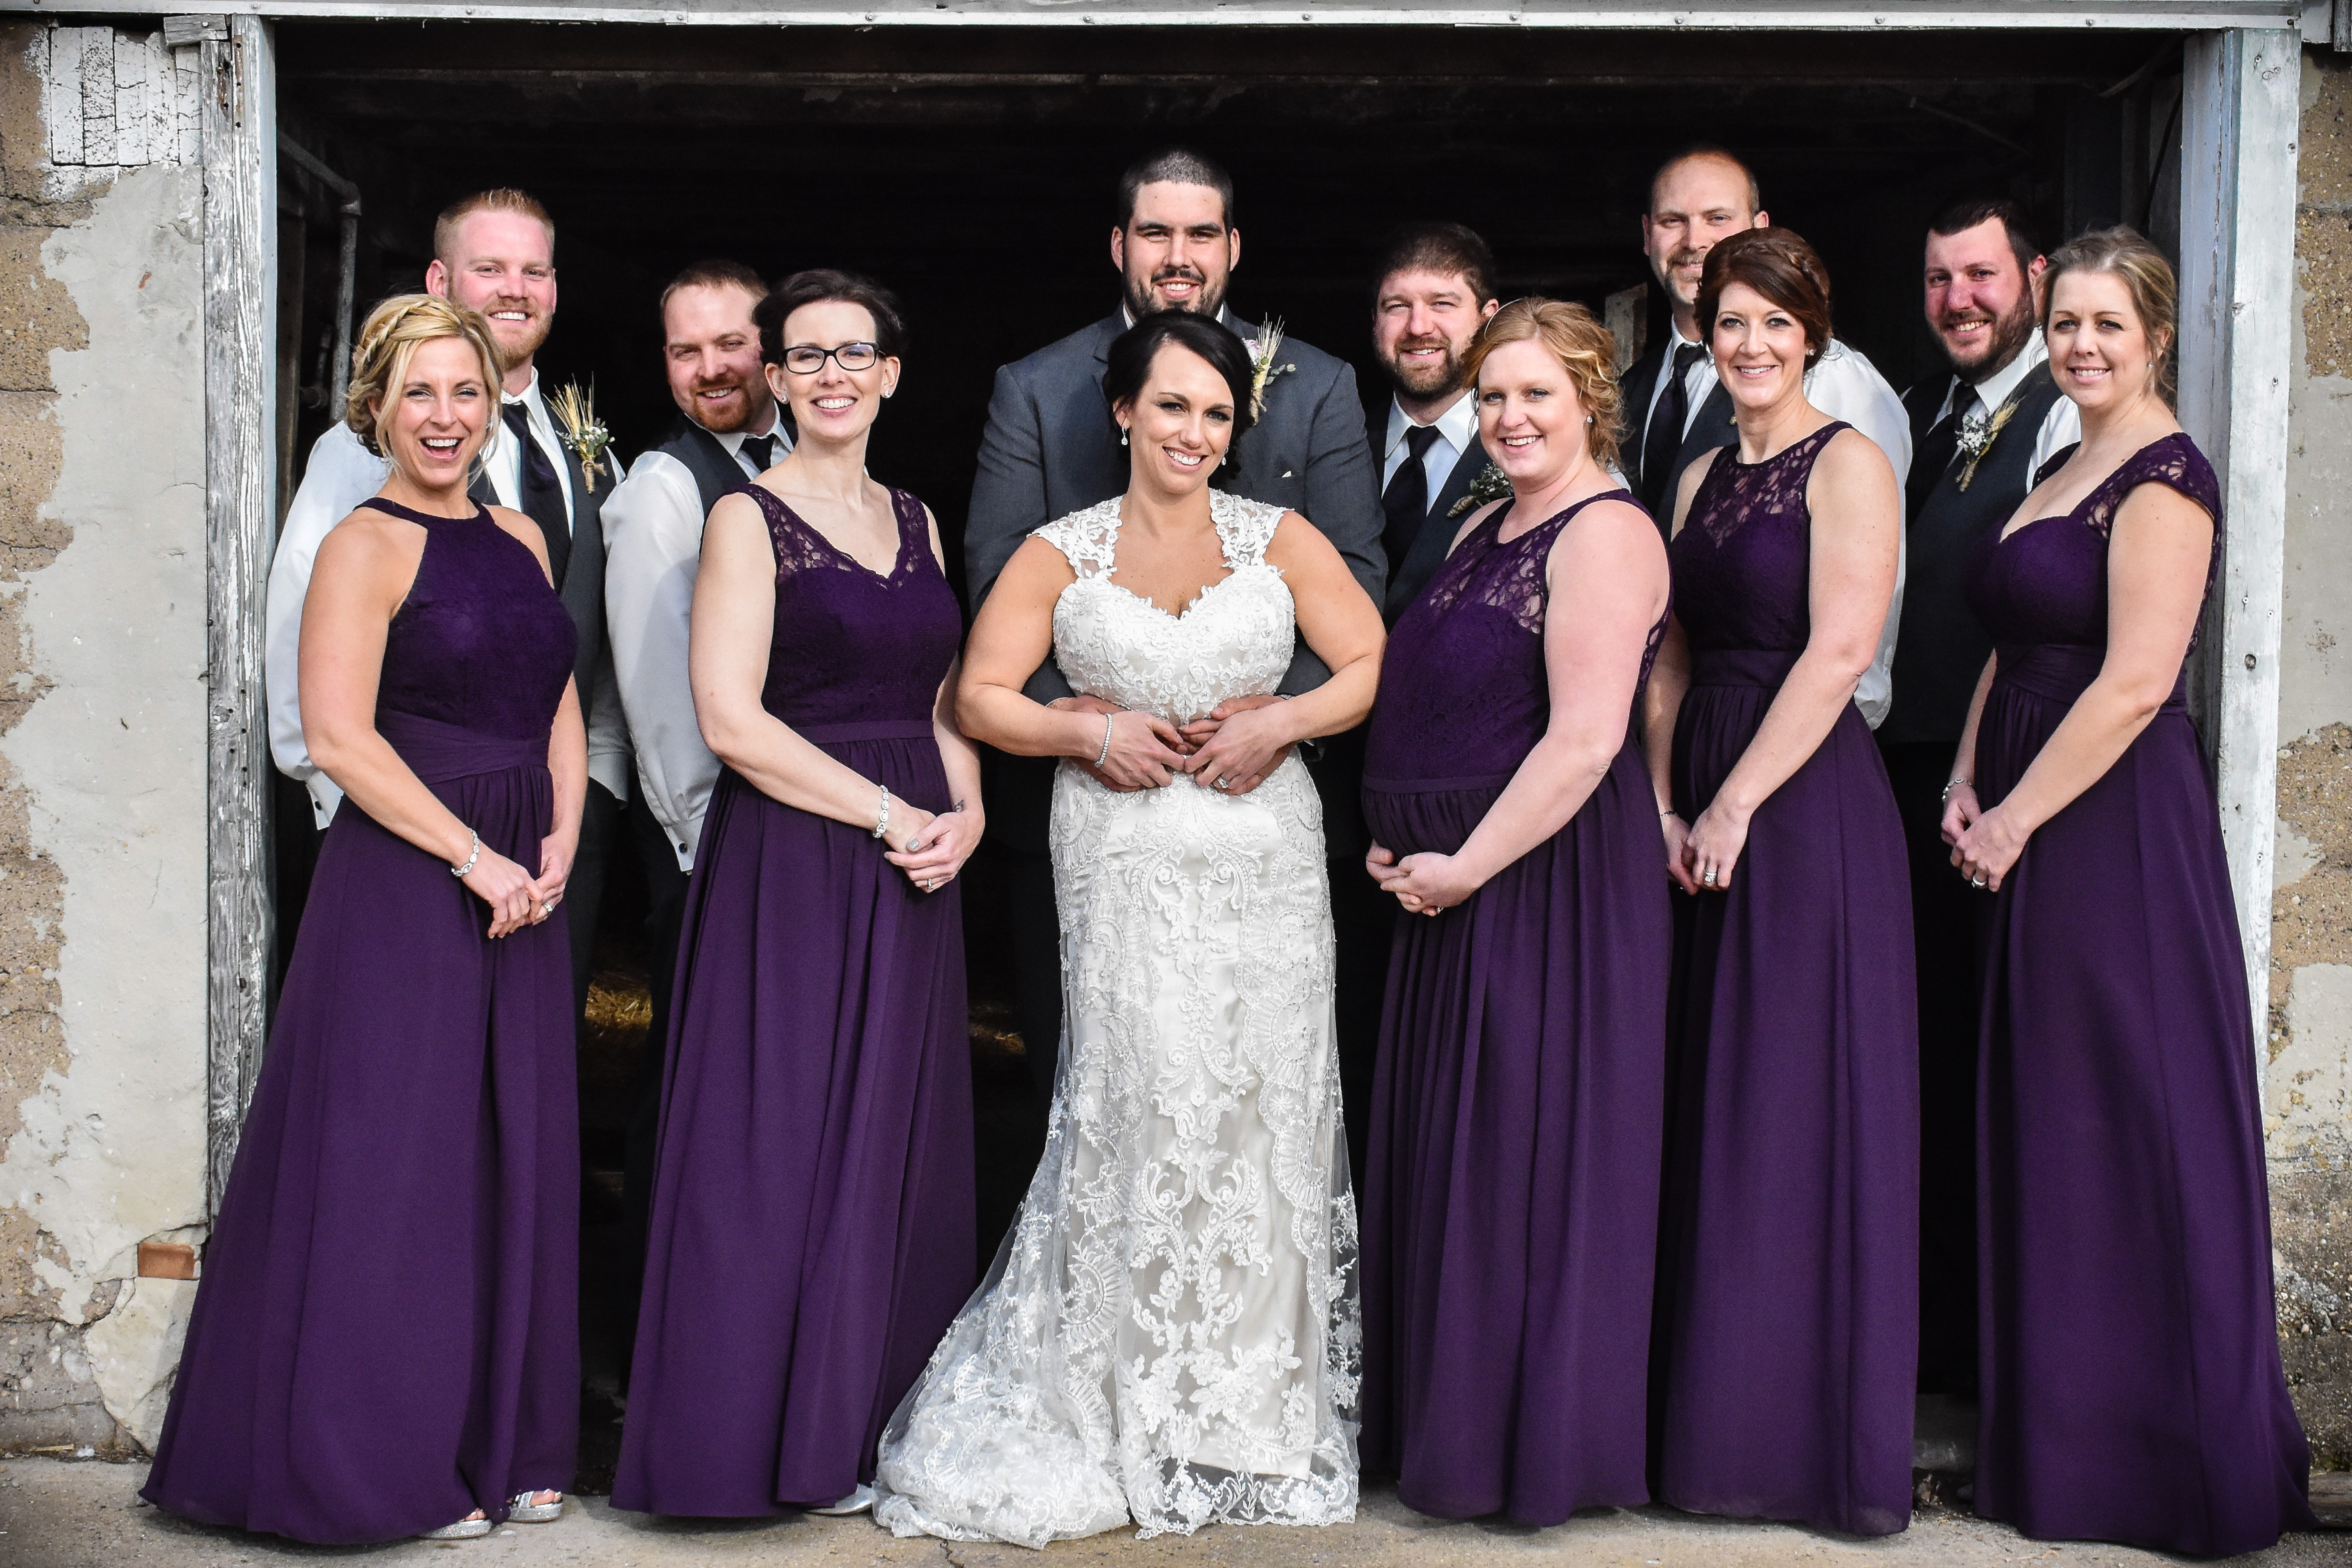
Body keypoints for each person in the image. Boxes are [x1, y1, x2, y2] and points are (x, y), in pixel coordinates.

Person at [875, 310, 1384, 1546]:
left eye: (1215, 414)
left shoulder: (1279, 537)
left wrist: (1283, 721)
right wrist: (1086, 730)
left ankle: (1254, 1415)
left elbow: (1370, 658)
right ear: (1123, 412)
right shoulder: (1060, 551)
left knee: (1264, 1107)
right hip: (1124, 856)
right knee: (1142, 1099)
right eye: (1171, 407)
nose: (1193, 433)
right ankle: (1131, 1394)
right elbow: (979, 695)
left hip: (1266, 864)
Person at [144, 295, 584, 1542]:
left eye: (465, 391)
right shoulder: (362, 544)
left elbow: (555, 692)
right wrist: (476, 859)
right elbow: (338, 738)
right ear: (376, 410)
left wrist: (560, 832)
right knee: (400, 1164)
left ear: (492, 404)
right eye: (418, 394)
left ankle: (505, 1441)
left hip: (526, 875)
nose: (444, 417)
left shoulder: (522, 536)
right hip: (410, 877)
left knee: (510, 1149)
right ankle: (378, 1462)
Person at [1944, 226, 2318, 1556]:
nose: (2083, 345)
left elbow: (2138, 679)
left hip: (2107, 822)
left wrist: (2016, 814)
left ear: (2157, 336)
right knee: (2056, 1120)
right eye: (2067, 324)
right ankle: (2068, 1444)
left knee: (2128, 1110)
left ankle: (2168, 1456)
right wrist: (1965, 777)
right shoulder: (2061, 463)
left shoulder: (2167, 478)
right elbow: (2015, 645)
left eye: (2109, 324)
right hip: (2023, 806)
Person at [613, 272, 978, 1520]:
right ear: (776, 380)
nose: (831, 375)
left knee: (890, 1136)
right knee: (773, 1142)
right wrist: (888, 813)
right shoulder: (743, 518)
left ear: (891, 374)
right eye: (806, 356)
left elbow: (943, 699)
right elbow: (729, 719)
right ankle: (745, 1443)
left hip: (921, 858)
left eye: (853, 352)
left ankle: (860, 1425)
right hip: (797, 855)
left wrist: (968, 814)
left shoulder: (922, 520)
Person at [962, 147, 1383, 1106]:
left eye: (1200, 233)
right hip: (1095, 804)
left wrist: (1270, 720)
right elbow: (995, 572)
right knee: (1097, 1086)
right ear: (1119, 245)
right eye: (1155, 232)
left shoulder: (1317, 383)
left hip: (1256, 805)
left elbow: (1355, 580)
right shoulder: (1035, 385)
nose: (1178, 254)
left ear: (1233, 246)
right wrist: (1075, 725)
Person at [1357, 298, 1672, 1523]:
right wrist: (1403, 834)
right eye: (1493, 396)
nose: (1510, 416)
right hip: (1450, 888)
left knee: (1521, 1159)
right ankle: (1448, 1426)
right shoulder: (1485, 521)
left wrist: (1469, 863)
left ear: (1592, 399)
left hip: (1543, 885)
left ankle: (1526, 1451)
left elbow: (1586, 741)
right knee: (1457, 1161)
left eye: (1537, 393)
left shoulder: (1606, 533)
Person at [1642, 226, 1918, 1538]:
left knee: (1788, 1100)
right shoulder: (1699, 472)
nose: (1751, 343)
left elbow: (1842, 650)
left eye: (1775, 322)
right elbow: (1670, 653)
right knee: (1708, 1098)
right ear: (1704, 334)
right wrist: (1662, 798)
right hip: (1698, 784)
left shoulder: (1850, 460)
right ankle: (1705, 1424)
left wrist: (1737, 801)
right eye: (1731, 321)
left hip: (1800, 803)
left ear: (1812, 333)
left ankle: (1799, 1443)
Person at [264, 188, 625, 1018]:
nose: (515, 289)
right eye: (489, 268)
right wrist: (342, 808)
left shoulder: (578, 445)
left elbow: (563, 655)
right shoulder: (358, 457)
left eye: (533, 271)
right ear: (438, 280)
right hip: (404, 823)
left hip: (539, 832)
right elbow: (302, 645)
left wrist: (575, 816)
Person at [1879, 199, 2080, 1400]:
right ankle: (1938, 1329)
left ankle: (2014, 1345)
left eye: (1982, 274)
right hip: (1910, 775)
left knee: (2010, 1056)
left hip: (2008, 781)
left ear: (2035, 277)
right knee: (1929, 1050)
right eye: (1939, 278)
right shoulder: (1916, 410)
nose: (1959, 300)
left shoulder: (2065, 414)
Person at [598, 258, 794, 1358]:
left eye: (730, 344)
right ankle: (654, 1345)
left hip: (792, 828)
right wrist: (701, 847)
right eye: (685, 350)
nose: (710, 368)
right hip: (712, 841)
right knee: (692, 1092)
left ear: (772, 350)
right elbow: (660, 698)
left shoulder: (801, 459)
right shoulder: (664, 488)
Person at [1619, 147, 1912, 727]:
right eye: (1674, 221)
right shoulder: (1630, 388)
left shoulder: (1837, 379)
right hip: (1674, 722)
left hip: (1804, 729)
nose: (1695, 240)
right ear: (1648, 235)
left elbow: (1876, 597)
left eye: (1717, 218)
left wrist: (1849, 728)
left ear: (1760, 228)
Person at [1369, 222, 1503, 621]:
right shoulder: (1339, 438)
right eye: (1397, 306)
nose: (1418, 327)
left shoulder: (1522, 444)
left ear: (1487, 319)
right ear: (1374, 321)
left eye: (1442, 304)